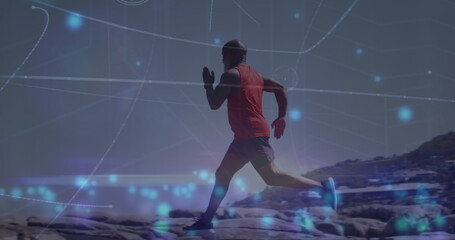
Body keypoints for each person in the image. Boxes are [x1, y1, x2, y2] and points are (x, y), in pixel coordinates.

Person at [183, 40, 337, 231]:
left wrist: (208, 85)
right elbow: (281, 88)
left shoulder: (230, 75)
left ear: (233, 55)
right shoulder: (257, 77)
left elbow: (214, 104)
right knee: (222, 174)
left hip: (252, 137)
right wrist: (281, 117)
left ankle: (322, 188)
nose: (223, 59)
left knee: (272, 176)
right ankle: (206, 221)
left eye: (224, 55)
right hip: (243, 138)